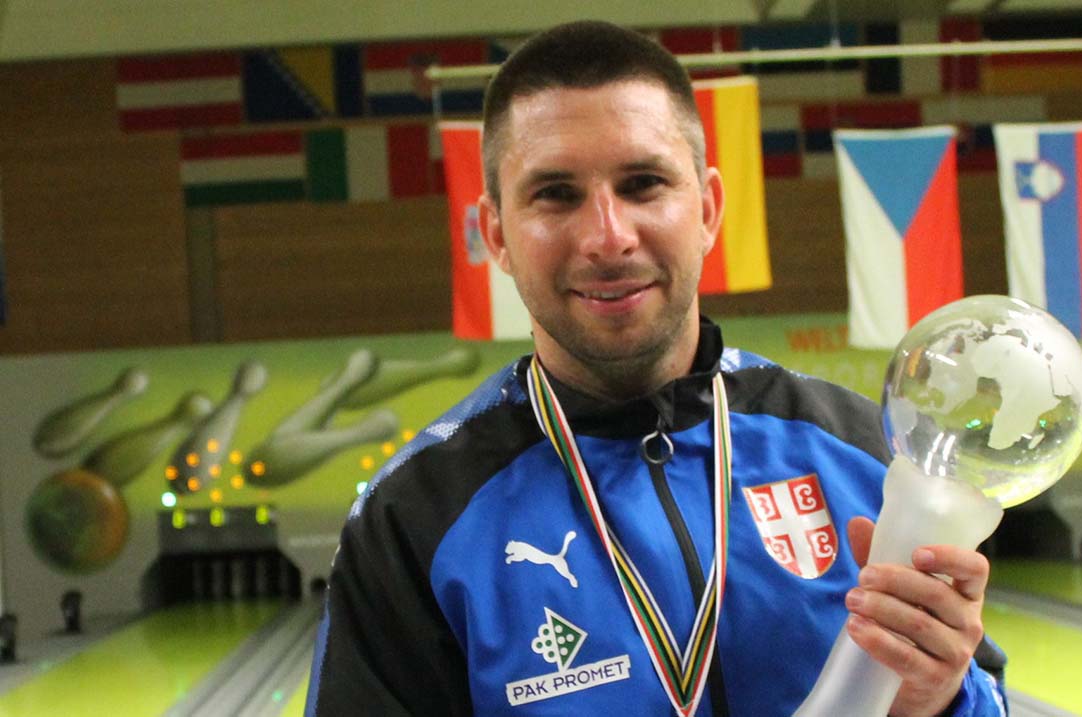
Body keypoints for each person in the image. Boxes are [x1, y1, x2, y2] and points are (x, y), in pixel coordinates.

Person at [306, 20, 1007, 717]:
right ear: (497, 235)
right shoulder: (417, 516)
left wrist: (944, 699)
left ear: (707, 209)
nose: (608, 237)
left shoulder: (858, 453)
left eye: (643, 184)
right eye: (556, 194)